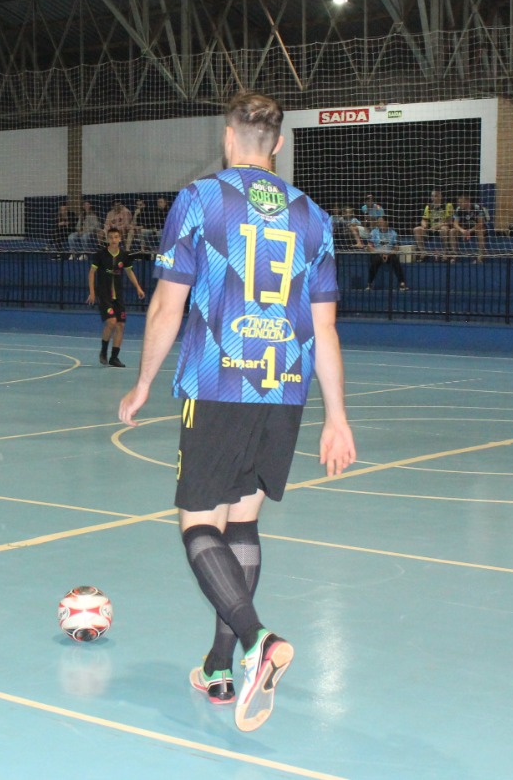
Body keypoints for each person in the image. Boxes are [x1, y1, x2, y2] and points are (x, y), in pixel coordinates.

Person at [118, 91, 356, 733]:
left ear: (228, 138)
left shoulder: (200, 199)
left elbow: (167, 305)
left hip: (219, 382)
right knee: (242, 522)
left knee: (200, 524)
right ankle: (220, 668)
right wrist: (337, 417)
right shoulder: (314, 216)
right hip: (284, 388)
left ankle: (257, 641)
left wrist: (143, 382)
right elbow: (326, 329)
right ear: (278, 144)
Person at [87, 226, 145, 367]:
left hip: (118, 296)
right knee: (111, 322)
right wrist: (92, 292)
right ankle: (103, 351)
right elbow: (92, 273)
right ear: (107, 239)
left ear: (120, 239)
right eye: (111, 237)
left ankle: (114, 358)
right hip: (104, 294)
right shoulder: (100, 255)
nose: (113, 240)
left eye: (116, 237)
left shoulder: (124, 255)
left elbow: (129, 272)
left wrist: (138, 287)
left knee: (121, 325)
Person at [366, 216, 409, 291]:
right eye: (378, 221)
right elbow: (369, 246)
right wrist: (380, 253)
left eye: (381, 221)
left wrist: (388, 254)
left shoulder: (393, 233)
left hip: (389, 253)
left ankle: (402, 283)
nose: (379, 223)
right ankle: (370, 283)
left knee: (395, 260)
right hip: (377, 253)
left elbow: (396, 247)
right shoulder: (374, 232)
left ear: (387, 222)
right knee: (375, 261)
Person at [413, 190, 455, 260]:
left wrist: (438, 226)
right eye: (432, 196)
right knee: (416, 229)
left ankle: (445, 252)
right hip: (431, 229)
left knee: (444, 229)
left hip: (442, 228)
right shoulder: (429, 206)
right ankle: (423, 252)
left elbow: (450, 221)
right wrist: (424, 225)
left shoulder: (448, 205)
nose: (433, 198)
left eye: (435, 196)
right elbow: (424, 220)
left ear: (440, 197)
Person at [451, 194, 488, 262]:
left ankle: (481, 255)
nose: (459, 204)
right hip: (465, 229)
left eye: (461, 202)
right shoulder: (459, 209)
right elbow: (455, 224)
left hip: (477, 228)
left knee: (480, 230)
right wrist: (462, 230)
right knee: (452, 231)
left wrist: (470, 230)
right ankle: (454, 254)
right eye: (458, 202)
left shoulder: (477, 207)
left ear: (467, 201)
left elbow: (480, 223)